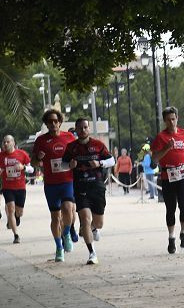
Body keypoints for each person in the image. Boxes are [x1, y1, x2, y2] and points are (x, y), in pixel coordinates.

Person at [63, 119, 114, 264]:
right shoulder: (71, 147)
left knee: (99, 223)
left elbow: (112, 161)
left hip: (97, 186)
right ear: (76, 130)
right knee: (85, 219)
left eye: (85, 127)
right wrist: (69, 165)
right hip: (80, 187)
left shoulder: (98, 145)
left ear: (89, 128)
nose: (83, 130)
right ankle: (92, 253)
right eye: (80, 128)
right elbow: (62, 165)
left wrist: (100, 163)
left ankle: (93, 228)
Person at [32, 109, 78, 262]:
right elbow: (33, 162)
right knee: (55, 217)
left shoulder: (69, 137)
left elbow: (76, 155)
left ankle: (66, 232)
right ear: (46, 124)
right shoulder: (41, 140)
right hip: (51, 184)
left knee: (68, 209)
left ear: (60, 122)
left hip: (67, 181)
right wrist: (38, 159)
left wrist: (74, 162)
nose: (53, 123)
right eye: (49, 121)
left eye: (55, 121)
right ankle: (59, 247)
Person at [152, 107, 184, 254]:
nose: (171, 122)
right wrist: (167, 148)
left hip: (183, 173)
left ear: (177, 118)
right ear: (164, 121)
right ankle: (171, 237)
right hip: (168, 176)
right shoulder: (161, 137)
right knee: (170, 208)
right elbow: (155, 159)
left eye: (173, 119)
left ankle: (183, 233)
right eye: (168, 120)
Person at [1, 135, 31, 244]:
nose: (5, 144)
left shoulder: (22, 154)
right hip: (7, 187)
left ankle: (16, 217)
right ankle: (16, 235)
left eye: (8, 142)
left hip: (20, 187)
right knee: (11, 209)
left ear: (13, 143)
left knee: (19, 212)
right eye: (4, 142)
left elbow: (32, 168)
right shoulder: (1, 156)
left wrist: (24, 167)